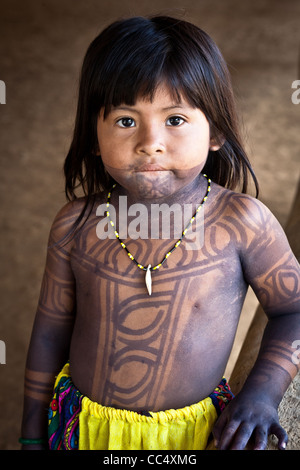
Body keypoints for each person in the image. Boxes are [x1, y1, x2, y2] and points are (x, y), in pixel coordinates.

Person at [20, 15, 300, 451]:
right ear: (93, 137)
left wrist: (261, 395)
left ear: (216, 131)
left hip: (192, 437)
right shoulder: (75, 224)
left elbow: (294, 310)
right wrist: (33, 435)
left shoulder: (242, 222)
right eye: (126, 121)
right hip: (82, 430)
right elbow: (49, 333)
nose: (150, 142)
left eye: (175, 119)